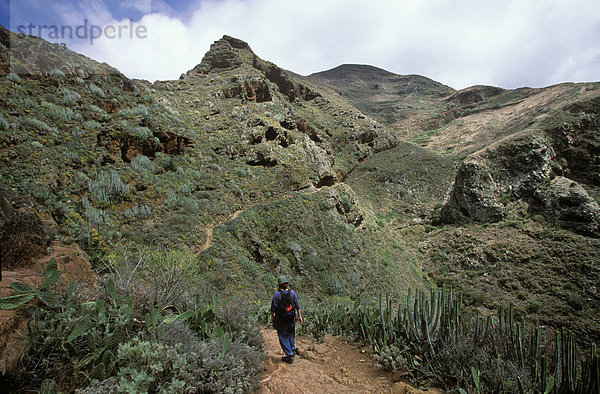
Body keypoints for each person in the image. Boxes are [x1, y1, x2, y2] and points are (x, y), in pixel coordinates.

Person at [271, 275, 303, 364]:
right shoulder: (292, 293)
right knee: (291, 332)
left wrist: (272, 318)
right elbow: (298, 306)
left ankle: (289, 354)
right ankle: (292, 349)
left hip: (281, 319)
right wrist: (300, 316)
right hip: (291, 317)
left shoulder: (276, 295)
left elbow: (273, 309)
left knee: (282, 335)